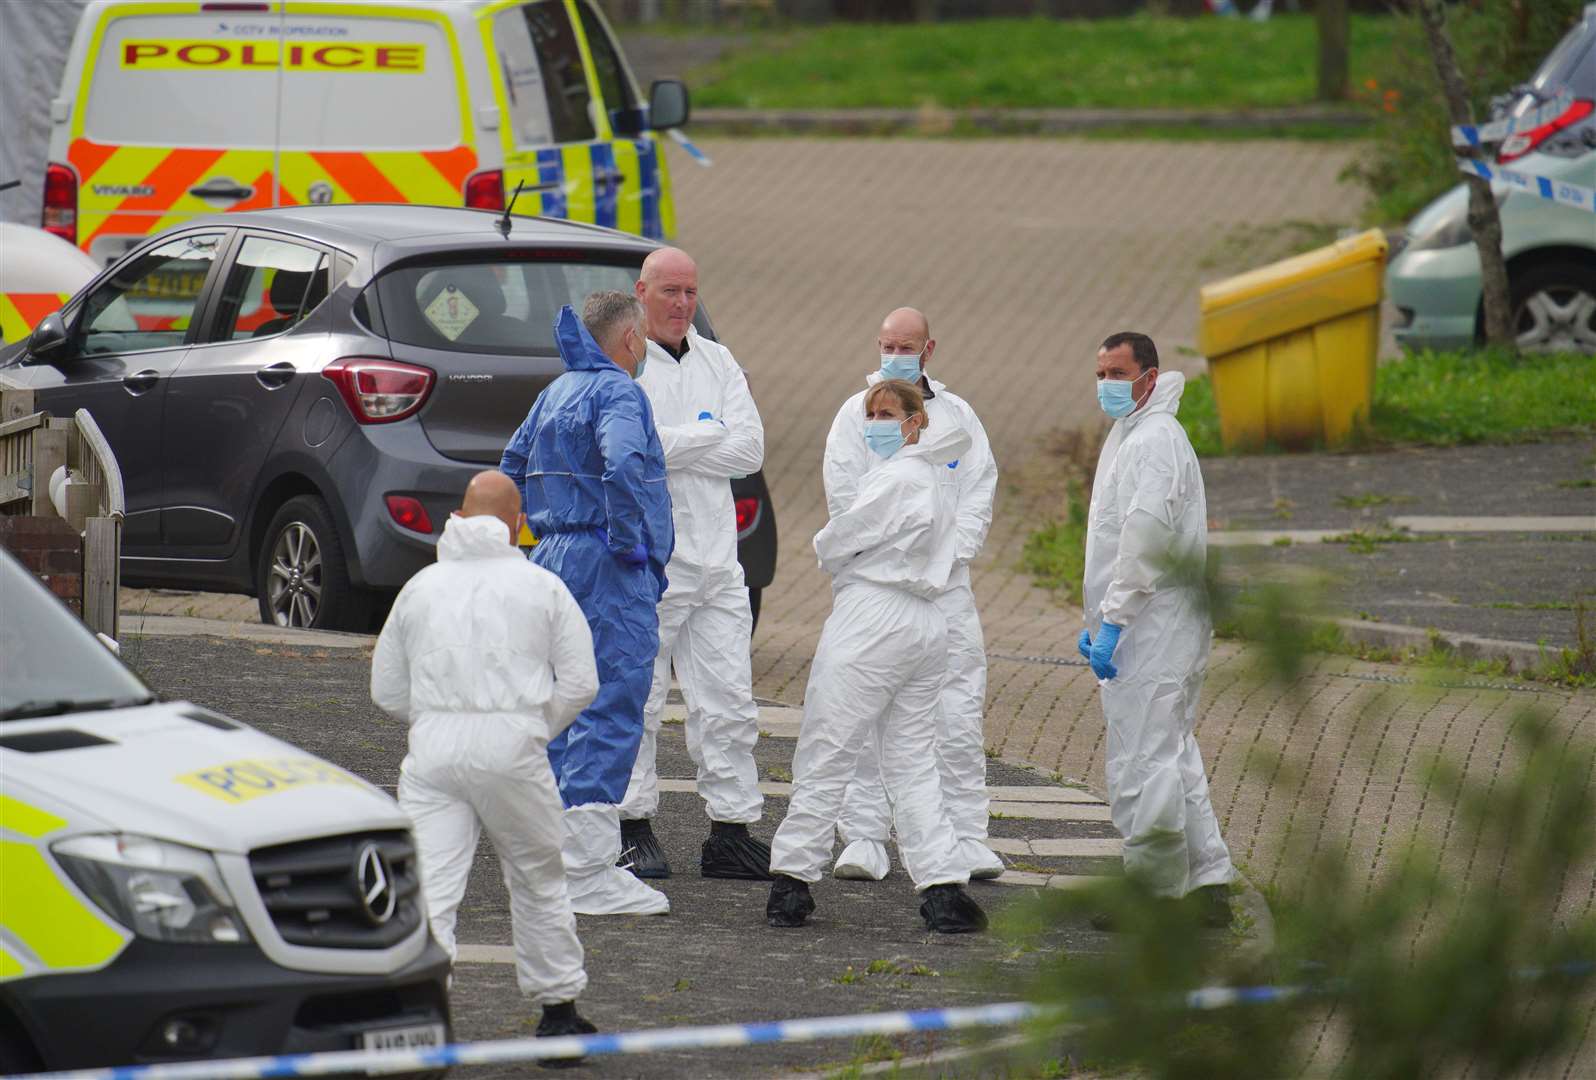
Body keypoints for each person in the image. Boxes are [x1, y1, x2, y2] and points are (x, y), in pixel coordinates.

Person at [370, 470, 599, 1052]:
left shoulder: (420, 587)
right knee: (538, 877)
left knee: (428, 889)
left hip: (434, 752)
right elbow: (580, 683)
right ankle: (557, 1012)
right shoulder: (542, 586)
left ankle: (416, 1017)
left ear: (459, 516)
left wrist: (434, 718)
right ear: (517, 524)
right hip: (513, 746)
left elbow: (386, 688)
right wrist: (530, 728)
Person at [767, 379, 988, 934]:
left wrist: (831, 549)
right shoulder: (935, 480)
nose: (876, 422)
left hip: (873, 617)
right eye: (872, 412)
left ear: (916, 421)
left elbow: (837, 539)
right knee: (912, 759)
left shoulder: (893, 478)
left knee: (828, 745)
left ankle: (792, 881)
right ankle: (941, 886)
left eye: (888, 412)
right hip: (924, 620)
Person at [499, 292, 675, 917]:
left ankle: (548, 858)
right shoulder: (620, 393)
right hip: (605, 563)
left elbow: (511, 465)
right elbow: (625, 461)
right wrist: (630, 544)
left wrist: (532, 540)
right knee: (611, 701)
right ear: (630, 338)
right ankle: (590, 870)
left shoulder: (556, 390)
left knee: (558, 701)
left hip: (552, 557)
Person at [821, 307, 1003, 883]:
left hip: (947, 588)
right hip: (876, 591)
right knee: (865, 708)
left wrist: (950, 553)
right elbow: (844, 503)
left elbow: (978, 488)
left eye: (906, 345)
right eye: (886, 344)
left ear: (928, 350)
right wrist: (880, 567)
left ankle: (966, 835)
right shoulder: (856, 415)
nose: (894, 354)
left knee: (957, 709)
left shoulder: (958, 415)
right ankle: (865, 836)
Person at [616, 247, 773, 881]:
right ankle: (631, 826)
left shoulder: (717, 358)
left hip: (717, 564)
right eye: (670, 292)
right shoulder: (623, 366)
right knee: (639, 698)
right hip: (650, 563)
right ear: (641, 292)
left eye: (690, 293)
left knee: (729, 701)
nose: (682, 304)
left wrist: (677, 444)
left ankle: (731, 830)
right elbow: (634, 451)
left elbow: (750, 449)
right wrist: (711, 433)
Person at [1079, 331, 1235, 928]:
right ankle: (1209, 880)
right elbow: (1111, 543)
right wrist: (1096, 621)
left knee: (1147, 759)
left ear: (1149, 375)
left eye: (1118, 373)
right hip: (1144, 621)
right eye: (1101, 373)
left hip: (1155, 624)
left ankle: (1154, 891)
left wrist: (1113, 622)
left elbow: (1143, 544)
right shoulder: (1132, 436)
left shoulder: (1155, 443)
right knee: (1171, 749)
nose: (1108, 385)